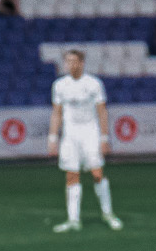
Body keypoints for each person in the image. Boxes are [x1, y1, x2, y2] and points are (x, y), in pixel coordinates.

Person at [47, 49, 121, 233]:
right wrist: (52, 137)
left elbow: (102, 111)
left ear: (82, 63)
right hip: (70, 135)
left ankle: (108, 213)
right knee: (71, 175)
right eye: (67, 61)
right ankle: (73, 219)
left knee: (97, 173)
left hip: (90, 133)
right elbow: (57, 113)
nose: (70, 65)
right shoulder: (59, 85)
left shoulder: (93, 84)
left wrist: (104, 138)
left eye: (74, 61)